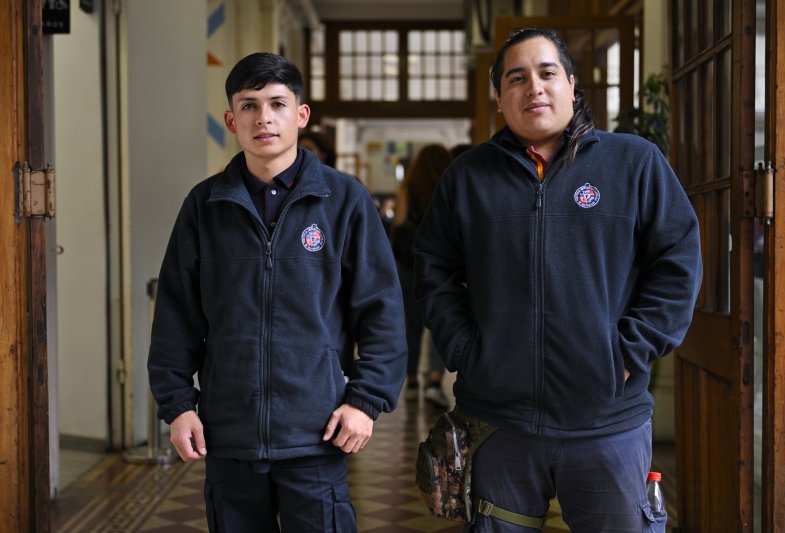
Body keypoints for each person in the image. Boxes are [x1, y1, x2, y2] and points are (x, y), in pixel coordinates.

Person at [413, 28, 702, 532]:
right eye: (516, 78)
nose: (534, 87)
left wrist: (629, 351)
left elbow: (678, 261)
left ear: (570, 83)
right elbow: (432, 268)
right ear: (498, 96)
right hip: (499, 423)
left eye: (547, 73)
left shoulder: (633, 162)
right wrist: (466, 350)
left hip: (606, 422)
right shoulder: (467, 177)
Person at [147, 52, 407, 532]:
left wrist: (365, 401)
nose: (263, 117)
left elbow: (382, 311)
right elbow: (175, 316)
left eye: (277, 103)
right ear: (231, 121)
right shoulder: (204, 206)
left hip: (317, 433)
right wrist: (178, 406)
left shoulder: (344, 201)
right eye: (248, 105)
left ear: (301, 115)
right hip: (229, 436)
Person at [390, 144, 451, 408]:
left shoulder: (408, 188)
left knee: (411, 327)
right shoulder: (449, 185)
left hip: (410, 265)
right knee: (441, 323)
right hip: (442, 265)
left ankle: (413, 382)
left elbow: (399, 223)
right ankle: (434, 382)